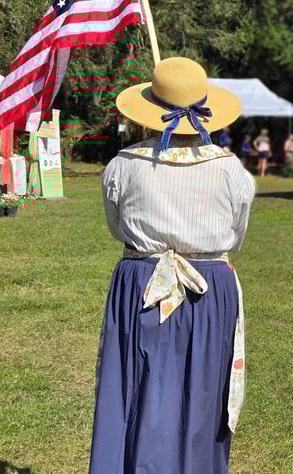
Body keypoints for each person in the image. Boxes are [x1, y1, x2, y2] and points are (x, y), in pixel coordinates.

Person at [90, 57, 255, 474]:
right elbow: (236, 236)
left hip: (143, 281)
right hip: (206, 287)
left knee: (136, 388)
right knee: (199, 394)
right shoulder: (230, 169)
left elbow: (117, 227)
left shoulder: (124, 165)